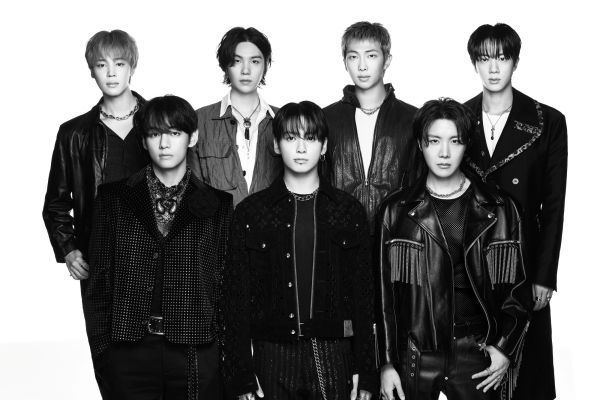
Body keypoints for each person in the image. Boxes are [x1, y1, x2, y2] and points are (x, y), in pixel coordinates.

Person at [377, 98, 530, 400]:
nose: (444, 153)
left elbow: (519, 287)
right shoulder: (396, 211)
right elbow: (384, 297)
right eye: (434, 141)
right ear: (420, 144)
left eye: (455, 141)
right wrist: (387, 362)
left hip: (476, 352)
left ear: (466, 145)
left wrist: (504, 347)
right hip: (416, 353)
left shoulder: (500, 208)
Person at [223, 101, 376, 400]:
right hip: (272, 353)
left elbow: (363, 296)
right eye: (291, 138)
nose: (301, 148)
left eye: (311, 138)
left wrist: (365, 369)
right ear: (276, 145)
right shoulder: (251, 212)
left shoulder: (348, 211)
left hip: (333, 353)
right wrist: (241, 373)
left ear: (324, 146)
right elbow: (236, 297)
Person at [83, 95, 233, 399]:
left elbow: (227, 286)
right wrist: (104, 352)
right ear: (143, 141)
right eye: (154, 134)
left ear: (193, 138)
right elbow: (97, 283)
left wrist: (222, 354)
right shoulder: (113, 199)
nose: (164, 144)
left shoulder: (218, 204)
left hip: (196, 349)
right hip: (128, 352)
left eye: (174, 133)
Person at [464, 23, 568, 400]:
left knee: (527, 379)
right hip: (471, 262)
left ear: (516, 61)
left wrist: (545, 275)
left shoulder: (547, 121)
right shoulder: (459, 119)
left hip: (524, 261)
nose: (493, 68)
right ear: (474, 63)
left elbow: (553, 205)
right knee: (474, 376)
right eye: (484, 58)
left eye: (502, 57)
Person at [43, 29, 148, 281]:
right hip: (99, 258)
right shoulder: (74, 133)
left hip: (156, 256)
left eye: (119, 64)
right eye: (102, 65)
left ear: (132, 67)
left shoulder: (160, 123)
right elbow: (55, 204)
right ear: (92, 71)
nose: (111, 73)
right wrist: (69, 250)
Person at [323, 21, 419, 232]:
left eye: (371, 56)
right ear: (345, 62)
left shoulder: (412, 119)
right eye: (353, 57)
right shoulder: (326, 119)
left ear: (387, 60)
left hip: (396, 236)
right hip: (339, 237)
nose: (362, 66)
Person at [189, 26, 281, 207]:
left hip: (273, 223)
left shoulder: (284, 121)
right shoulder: (199, 120)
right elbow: (192, 190)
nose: (246, 70)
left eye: (255, 61)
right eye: (237, 61)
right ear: (225, 65)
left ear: (265, 65)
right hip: (218, 224)